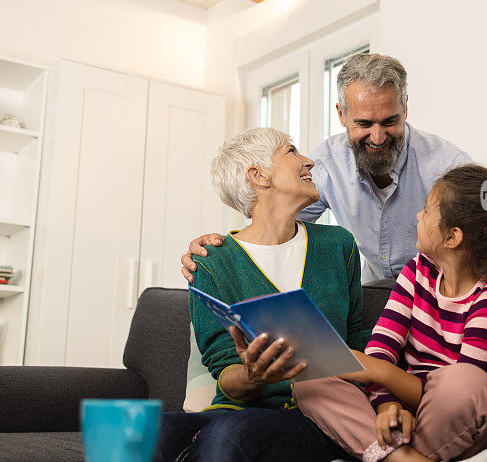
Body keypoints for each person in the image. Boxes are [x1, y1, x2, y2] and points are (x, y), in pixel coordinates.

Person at [181, 53, 487, 336]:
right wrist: (220, 247)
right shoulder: (325, 164)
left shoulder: (448, 164)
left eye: (389, 121)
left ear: (405, 108)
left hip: (450, 301)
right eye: (364, 124)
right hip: (383, 301)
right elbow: (275, 222)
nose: (377, 137)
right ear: (341, 115)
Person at [292, 164, 487, 462]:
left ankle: (391, 456)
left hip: (474, 430)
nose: (418, 215)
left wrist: (380, 372)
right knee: (311, 381)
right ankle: (403, 458)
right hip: (414, 421)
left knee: (463, 381)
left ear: (452, 237)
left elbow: (461, 401)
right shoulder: (416, 272)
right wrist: (386, 405)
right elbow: (382, 347)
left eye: (427, 210)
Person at [153, 127, 369, 462]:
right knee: (153, 430)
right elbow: (224, 371)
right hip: (236, 407)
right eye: (292, 151)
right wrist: (253, 376)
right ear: (259, 175)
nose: (308, 161)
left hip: (317, 413)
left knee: (232, 433)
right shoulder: (211, 263)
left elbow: (356, 335)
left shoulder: (337, 244)